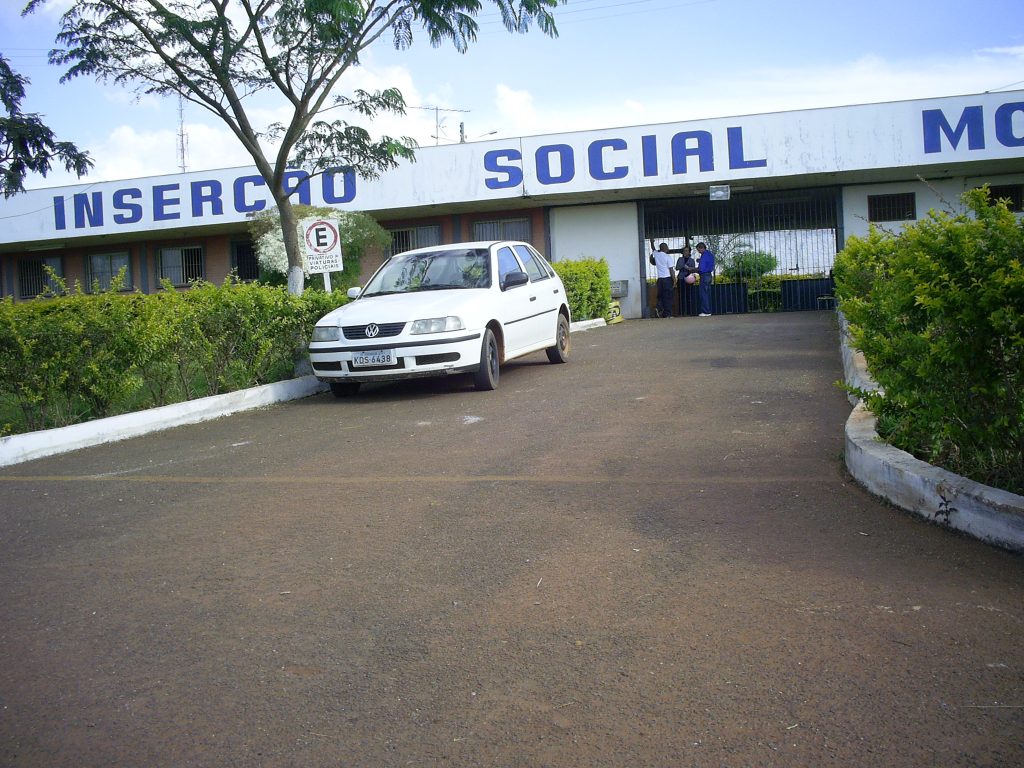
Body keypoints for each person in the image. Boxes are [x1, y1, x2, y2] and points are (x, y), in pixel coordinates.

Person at [649, 239, 675, 318]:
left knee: (661, 296)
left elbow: (653, 248)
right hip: (667, 279)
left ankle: (658, 308)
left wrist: (652, 242)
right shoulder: (668, 257)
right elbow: (671, 270)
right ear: (666, 248)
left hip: (660, 280)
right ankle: (667, 314)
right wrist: (674, 280)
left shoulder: (657, 254)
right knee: (668, 297)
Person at [695, 242, 715, 316]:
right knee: (707, 293)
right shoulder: (709, 254)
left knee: (703, 294)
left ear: (701, 248)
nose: (698, 252)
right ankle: (708, 310)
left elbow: (701, 269)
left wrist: (692, 269)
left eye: (698, 250)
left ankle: (706, 311)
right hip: (709, 275)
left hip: (704, 275)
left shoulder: (704, 256)